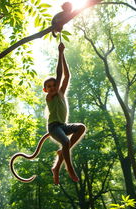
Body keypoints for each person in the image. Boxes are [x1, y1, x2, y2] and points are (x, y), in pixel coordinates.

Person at [43, 42, 86, 185]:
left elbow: (66, 75)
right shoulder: (49, 97)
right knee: (66, 142)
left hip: (63, 125)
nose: (53, 87)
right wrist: (59, 53)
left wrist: (64, 55)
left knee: (81, 127)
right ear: (45, 90)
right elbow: (60, 75)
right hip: (54, 127)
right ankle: (68, 167)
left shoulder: (61, 93)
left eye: (54, 84)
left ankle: (58, 162)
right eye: (49, 86)